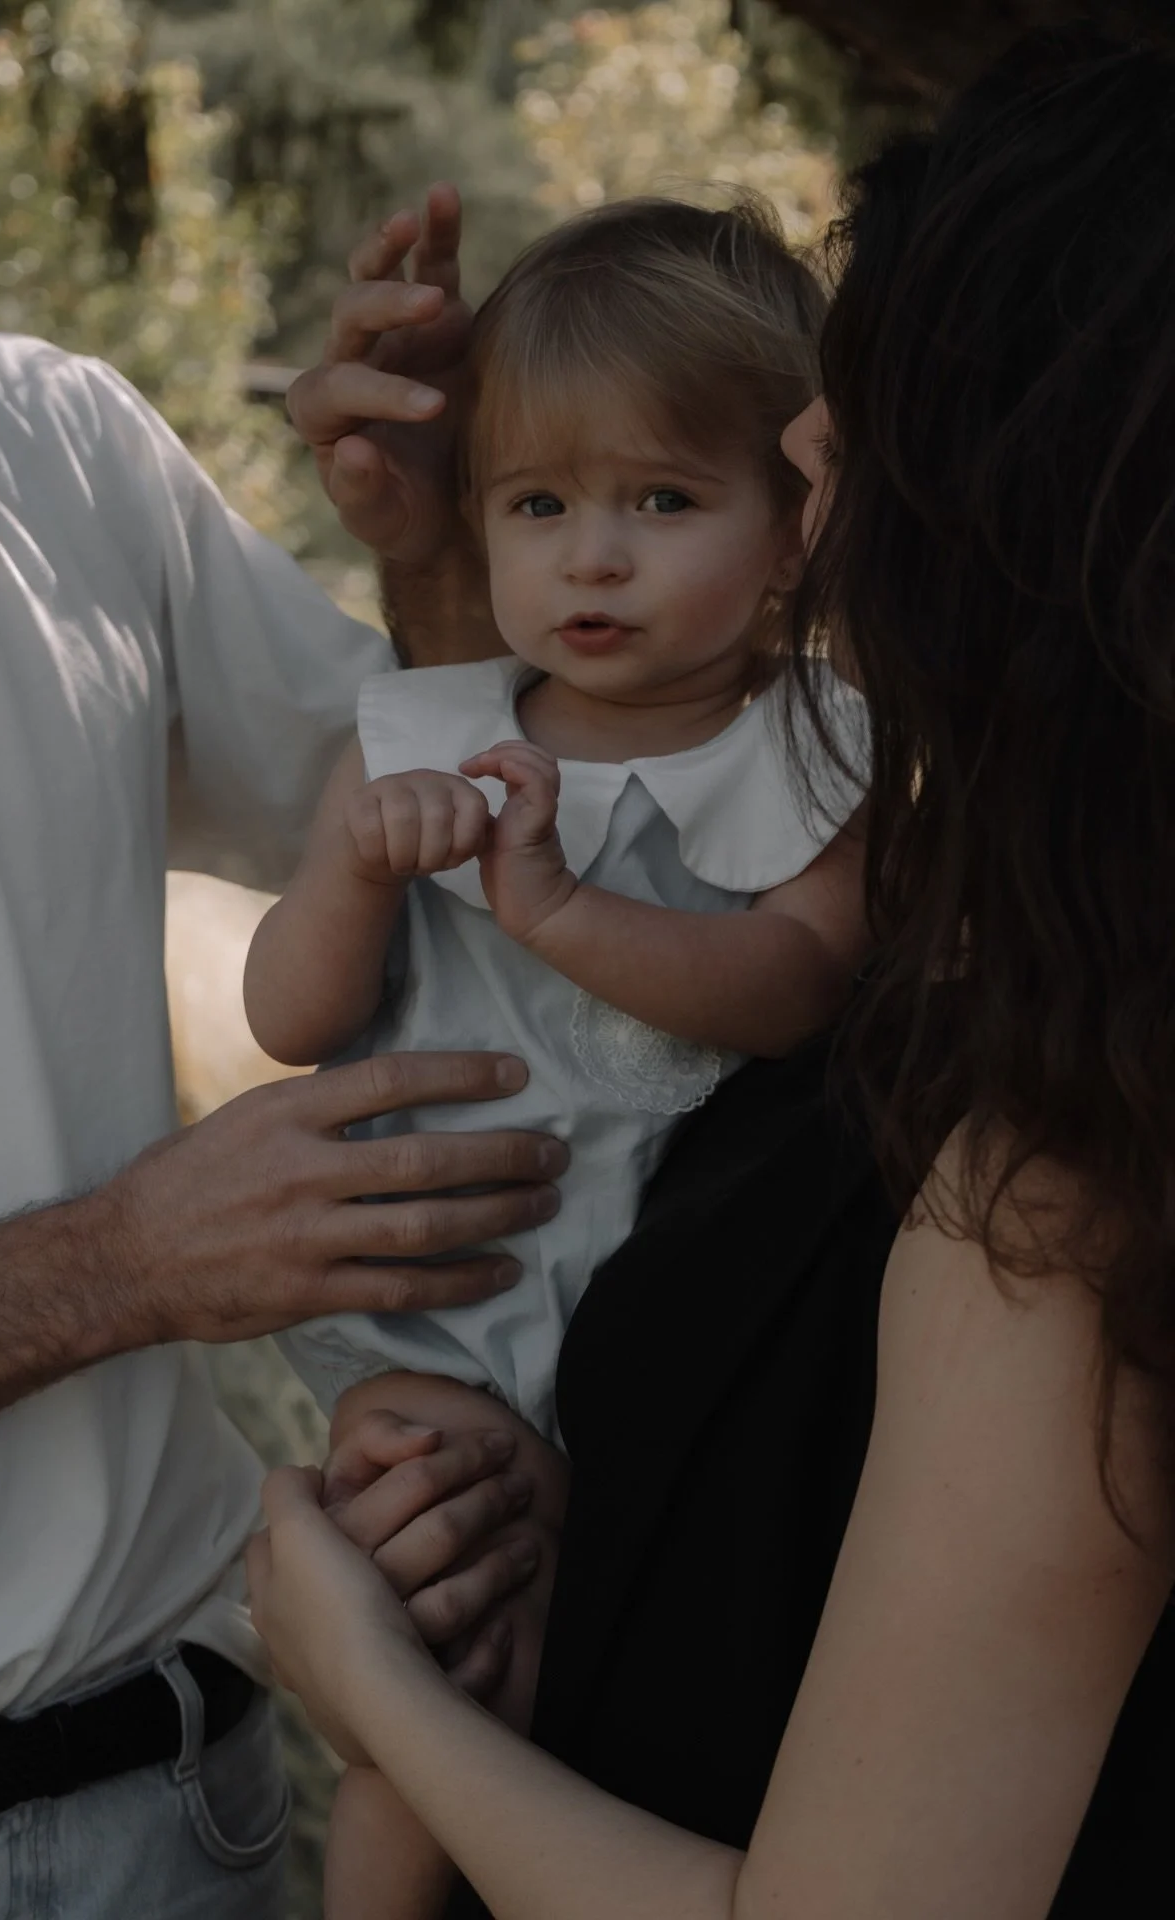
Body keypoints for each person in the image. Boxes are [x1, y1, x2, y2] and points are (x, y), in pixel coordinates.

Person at [250, 28, 1175, 1919]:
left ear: (1004, 519)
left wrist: (359, 1676)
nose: (806, 463)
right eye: (552, 502)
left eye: (842, 433)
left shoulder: (1059, 1179)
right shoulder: (1044, 975)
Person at [0, 3, 562, 1915]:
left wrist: (443, 552)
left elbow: (461, 878)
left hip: (194, 1813)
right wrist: (120, 1265)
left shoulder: (53, 448)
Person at [245, 195, 868, 1920]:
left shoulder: (816, 759)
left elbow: (795, 981)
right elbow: (292, 1023)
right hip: (438, 1304)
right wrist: (356, 869)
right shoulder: (427, 732)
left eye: (662, 502)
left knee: (570, 1694)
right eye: (539, 506)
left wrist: (556, 907)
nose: (592, 558)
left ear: (797, 526)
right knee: (432, 1670)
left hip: (656, 1344)